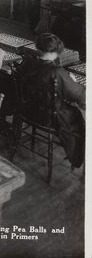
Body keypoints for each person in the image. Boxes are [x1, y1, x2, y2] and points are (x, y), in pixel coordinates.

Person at [17, 33, 85, 168]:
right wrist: (72, 81)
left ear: (38, 48)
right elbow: (79, 95)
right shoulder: (57, 72)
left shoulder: (27, 62)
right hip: (49, 117)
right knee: (80, 116)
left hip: (27, 111)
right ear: (55, 51)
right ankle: (77, 157)